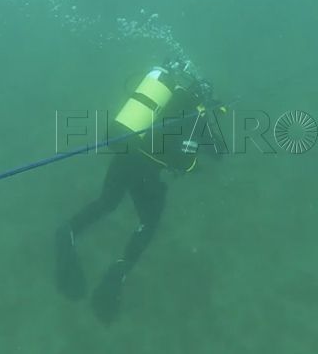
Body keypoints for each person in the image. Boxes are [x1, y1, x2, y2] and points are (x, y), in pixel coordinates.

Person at [54, 58, 224, 324]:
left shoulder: (163, 99)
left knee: (106, 203)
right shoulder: (197, 116)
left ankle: (69, 230)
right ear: (204, 97)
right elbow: (211, 155)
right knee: (148, 222)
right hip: (147, 175)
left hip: (125, 156)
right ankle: (118, 271)